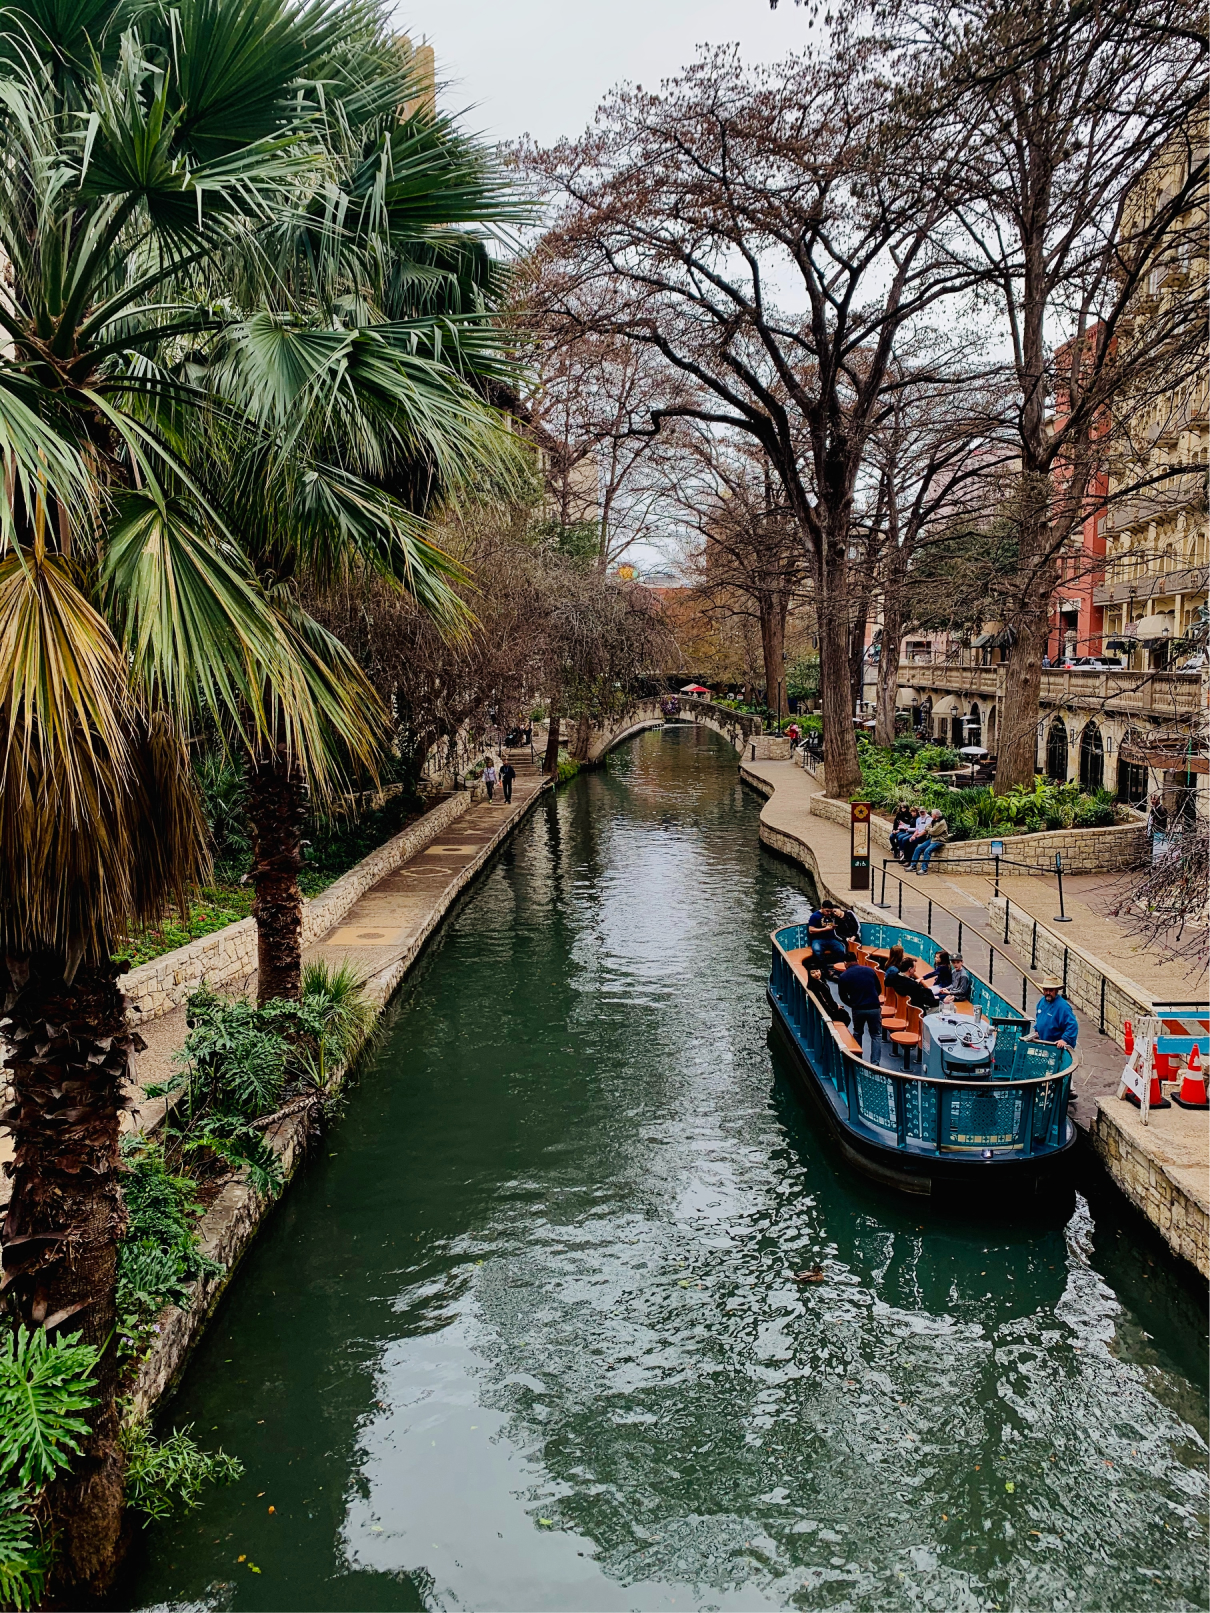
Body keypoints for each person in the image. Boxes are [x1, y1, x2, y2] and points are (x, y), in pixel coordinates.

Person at [836, 957, 884, 1064]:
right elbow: (879, 989)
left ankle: (857, 1060)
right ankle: (875, 1063)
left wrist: (852, 1004)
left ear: (845, 963)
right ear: (857, 960)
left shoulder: (844, 976)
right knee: (876, 1035)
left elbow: (842, 996)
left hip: (858, 1009)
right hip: (874, 1008)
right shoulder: (870, 970)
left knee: (857, 1033)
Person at [1026, 975, 1079, 1049]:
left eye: (1051, 990)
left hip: (1055, 1047)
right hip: (1044, 1044)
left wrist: (1064, 1040)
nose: (1048, 992)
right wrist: (1037, 1031)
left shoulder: (1063, 1007)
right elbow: (1040, 1018)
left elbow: (1072, 1025)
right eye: (1046, 990)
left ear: (1056, 991)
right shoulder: (1041, 1002)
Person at [883, 946, 939, 1012]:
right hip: (917, 1012)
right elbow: (925, 1000)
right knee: (939, 1007)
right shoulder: (913, 985)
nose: (915, 970)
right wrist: (940, 1001)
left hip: (904, 1008)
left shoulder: (894, 977)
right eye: (914, 968)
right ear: (909, 969)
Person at [807, 904, 848, 969]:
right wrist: (825, 929)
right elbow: (811, 930)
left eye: (830, 911)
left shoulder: (831, 915)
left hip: (831, 939)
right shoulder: (815, 916)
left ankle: (838, 969)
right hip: (818, 939)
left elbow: (842, 916)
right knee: (817, 951)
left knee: (841, 950)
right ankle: (826, 970)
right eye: (827, 911)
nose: (829, 913)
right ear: (822, 908)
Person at [910, 809, 950, 874]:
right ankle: (913, 865)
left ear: (936, 815)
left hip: (939, 840)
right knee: (918, 848)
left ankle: (924, 869)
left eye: (932, 814)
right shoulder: (934, 820)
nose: (931, 815)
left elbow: (933, 832)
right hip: (932, 839)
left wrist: (928, 829)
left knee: (927, 851)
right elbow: (926, 827)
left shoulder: (941, 822)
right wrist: (929, 829)